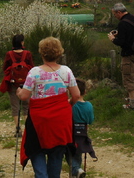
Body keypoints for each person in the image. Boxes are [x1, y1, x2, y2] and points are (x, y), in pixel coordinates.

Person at [17, 36, 80, 178]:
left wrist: (19, 92)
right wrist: (66, 106)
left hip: (39, 120)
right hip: (60, 119)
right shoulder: (66, 71)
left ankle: (41, 175)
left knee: (36, 149)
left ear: (41, 53)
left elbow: (25, 96)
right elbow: (76, 95)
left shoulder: (34, 72)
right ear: (59, 52)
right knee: (56, 153)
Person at [108, 2, 134, 110]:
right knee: (133, 75)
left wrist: (113, 39)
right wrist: (120, 33)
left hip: (129, 54)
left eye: (115, 14)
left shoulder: (123, 23)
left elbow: (121, 42)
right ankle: (132, 98)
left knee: (128, 78)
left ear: (119, 12)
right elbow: (133, 33)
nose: (115, 17)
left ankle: (132, 104)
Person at [0, 34, 34, 134]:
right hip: (26, 83)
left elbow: (5, 68)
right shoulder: (27, 53)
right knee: (26, 106)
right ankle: (28, 129)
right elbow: (32, 67)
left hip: (13, 83)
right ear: (22, 42)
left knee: (15, 106)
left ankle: (18, 128)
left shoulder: (9, 54)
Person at [69, 78, 97, 178]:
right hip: (83, 133)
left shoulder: (71, 105)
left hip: (71, 133)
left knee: (69, 154)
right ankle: (78, 170)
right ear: (85, 92)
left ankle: (76, 170)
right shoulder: (89, 105)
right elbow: (90, 120)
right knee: (78, 153)